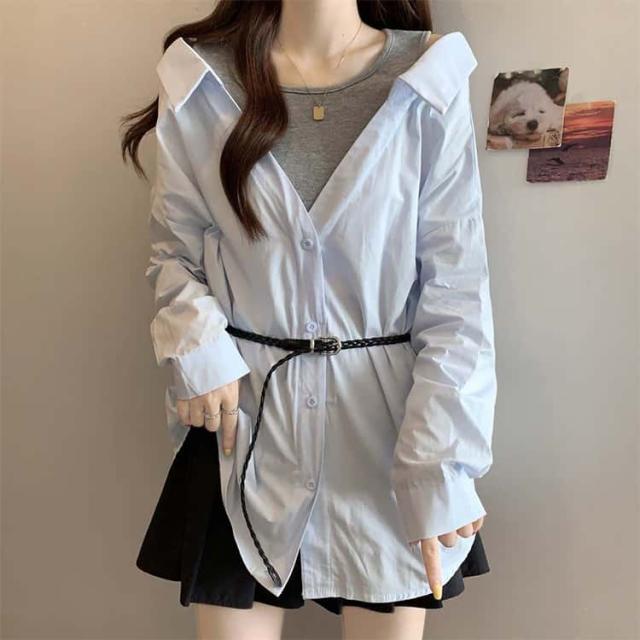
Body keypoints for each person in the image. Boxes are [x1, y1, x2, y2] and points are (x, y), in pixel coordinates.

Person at [120, 1, 497, 638]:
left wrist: (441, 463)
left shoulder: (428, 75)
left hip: (391, 439)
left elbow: (456, 294)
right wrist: (198, 348)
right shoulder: (201, 79)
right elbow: (175, 252)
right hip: (244, 431)